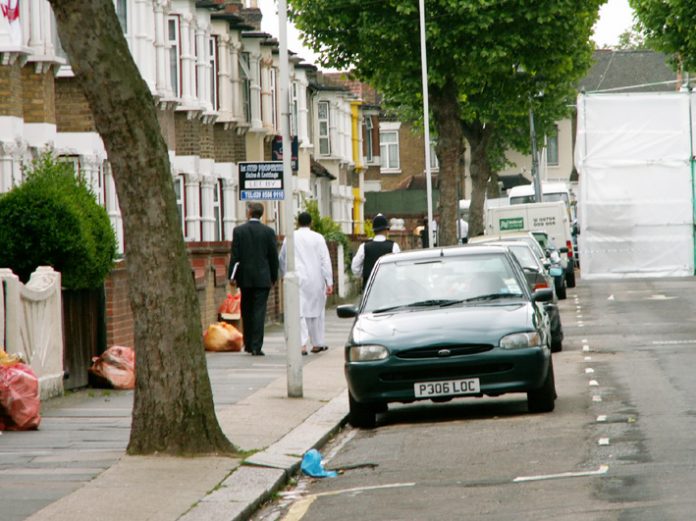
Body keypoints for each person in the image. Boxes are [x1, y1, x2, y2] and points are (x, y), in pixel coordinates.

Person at [228, 202, 279, 356]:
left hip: (245, 277)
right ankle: (257, 346)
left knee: (247, 310)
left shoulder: (239, 231)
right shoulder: (269, 232)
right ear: (261, 214)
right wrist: (274, 276)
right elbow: (273, 257)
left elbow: (235, 256)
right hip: (263, 278)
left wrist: (232, 276)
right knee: (259, 311)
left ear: (249, 212)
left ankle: (248, 343)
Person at [279, 212, 333, 355]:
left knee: (299, 312)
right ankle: (317, 343)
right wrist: (329, 282)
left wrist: (284, 274)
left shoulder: (290, 237)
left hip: (297, 278)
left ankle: (301, 344)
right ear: (311, 222)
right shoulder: (318, 238)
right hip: (316, 279)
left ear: (298, 222)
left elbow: (283, 258)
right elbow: (325, 260)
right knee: (316, 312)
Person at [351, 214, 401, 288]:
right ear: (386, 230)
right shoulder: (394, 246)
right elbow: (399, 267)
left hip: (369, 288)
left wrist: (365, 274)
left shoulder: (364, 246)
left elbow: (355, 268)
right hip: (389, 287)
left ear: (374, 231)